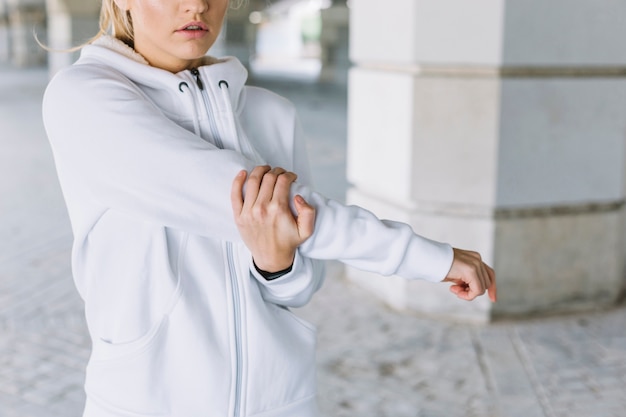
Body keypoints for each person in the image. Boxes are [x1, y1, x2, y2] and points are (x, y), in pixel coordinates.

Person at [41, 0, 496, 416]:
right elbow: (265, 205)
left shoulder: (270, 113)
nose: (197, 5)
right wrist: (429, 257)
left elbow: (300, 288)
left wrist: (276, 263)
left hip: (280, 401)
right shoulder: (84, 98)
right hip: (149, 402)